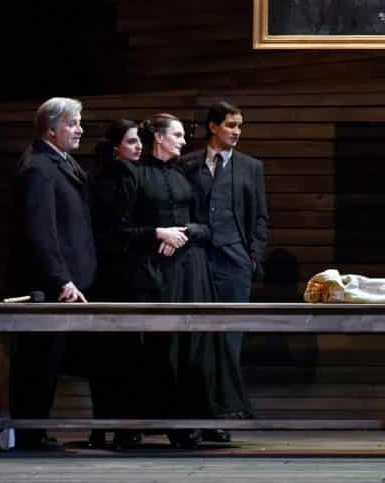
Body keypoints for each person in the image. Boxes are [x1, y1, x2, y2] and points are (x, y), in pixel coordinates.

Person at [119, 113, 250, 448]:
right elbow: (120, 229)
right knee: (160, 348)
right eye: (177, 135)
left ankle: (196, 421)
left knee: (195, 346)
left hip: (191, 268)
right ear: (158, 138)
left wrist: (186, 232)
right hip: (155, 270)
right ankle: (159, 422)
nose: (183, 140)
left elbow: (206, 225)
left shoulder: (183, 173)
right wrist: (157, 233)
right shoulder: (134, 173)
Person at [7, 97, 97, 451]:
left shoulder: (61, 161)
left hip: (66, 281)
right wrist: (62, 278)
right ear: (51, 129)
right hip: (47, 286)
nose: (79, 129)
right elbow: (40, 231)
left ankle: (35, 431)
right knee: (37, 361)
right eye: (72, 123)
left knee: (50, 361)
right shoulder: (38, 167)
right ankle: (29, 435)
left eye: (79, 122)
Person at [183, 101, 269, 444]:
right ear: (213, 126)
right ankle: (192, 418)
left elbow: (260, 216)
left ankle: (219, 418)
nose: (236, 132)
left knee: (229, 342)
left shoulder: (251, 167)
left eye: (239, 126)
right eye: (231, 125)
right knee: (197, 340)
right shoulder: (188, 164)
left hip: (235, 262)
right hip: (198, 260)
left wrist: (252, 256)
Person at [86, 119, 144, 449]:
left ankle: (114, 427)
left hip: (119, 273)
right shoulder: (110, 179)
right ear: (115, 146)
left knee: (116, 355)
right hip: (114, 273)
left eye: (139, 141)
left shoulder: (127, 175)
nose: (139, 147)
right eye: (132, 141)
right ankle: (111, 427)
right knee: (112, 355)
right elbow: (115, 230)